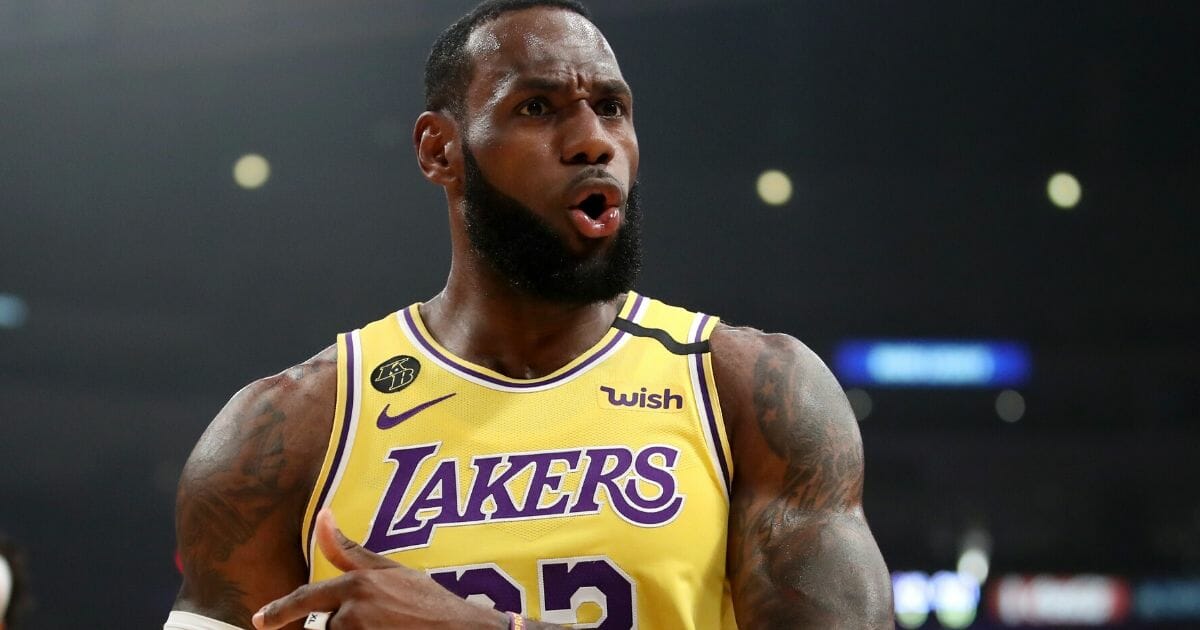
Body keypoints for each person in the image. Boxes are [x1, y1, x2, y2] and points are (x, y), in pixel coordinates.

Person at [165, 1, 892, 628]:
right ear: (439, 149)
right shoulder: (289, 432)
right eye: (537, 108)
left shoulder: (750, 393)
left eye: (611, 107)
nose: (592, 140)